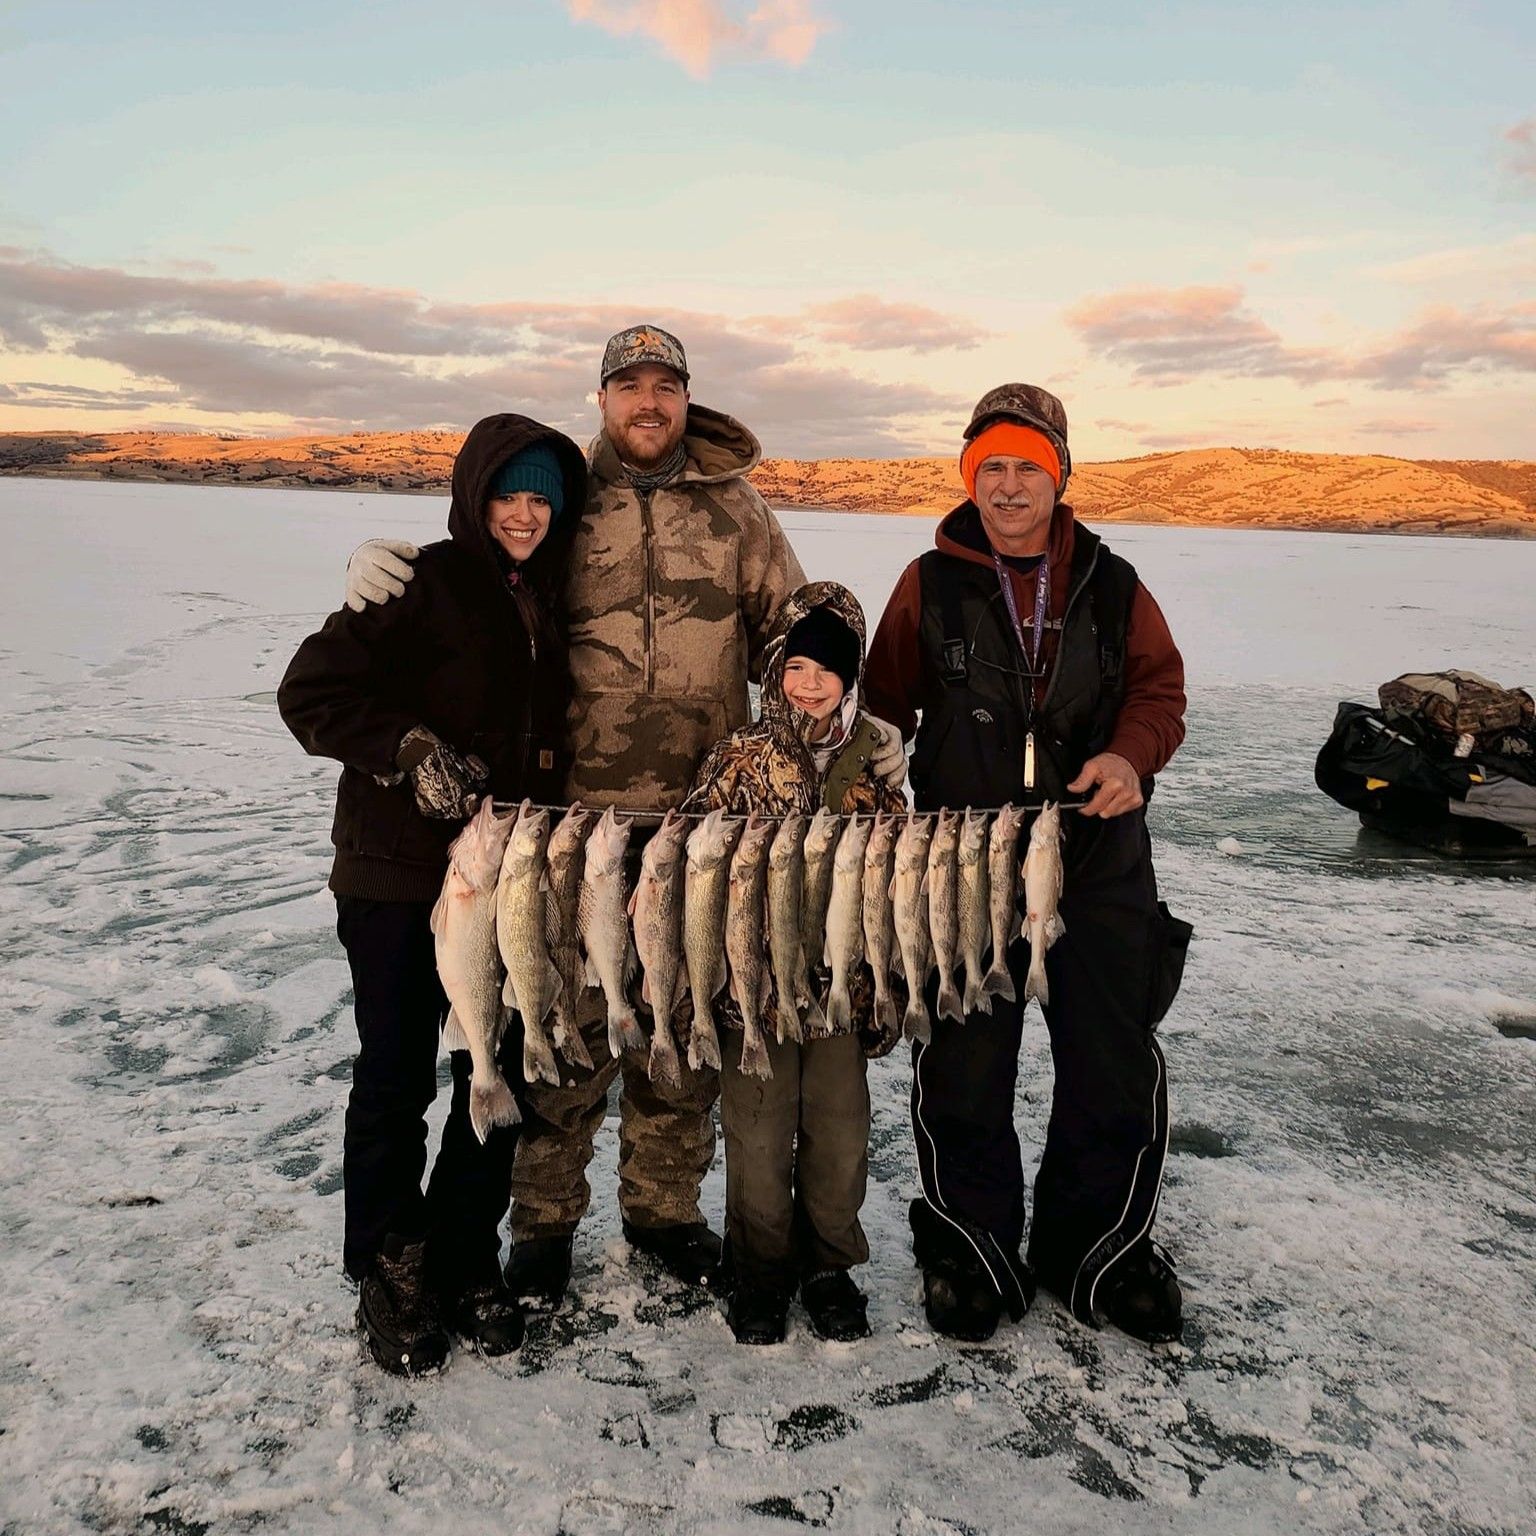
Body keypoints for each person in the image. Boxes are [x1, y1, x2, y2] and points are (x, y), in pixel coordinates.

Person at [343, 326, 910, 1306]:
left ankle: (663, 1214)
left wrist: (850, 723)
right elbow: (491, 573)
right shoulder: (568, 504)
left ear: (686, 398)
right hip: (570, 825)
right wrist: (388, 573)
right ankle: (545, 1228)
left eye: (666, 386)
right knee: (560, 1032)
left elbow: (794, 638)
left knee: (676, 1043)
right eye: (629, 385)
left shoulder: (740, 515)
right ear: (603, 398)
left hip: (701, 823)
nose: (648, 402)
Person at [863, 383, 1193, 1346]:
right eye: (991, 468)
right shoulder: (929, 581)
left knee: (1111, 1051)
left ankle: (1101, 1250)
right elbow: (885, 711)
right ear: (971, 478)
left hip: (1094, 854)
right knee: (966, 1058)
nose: (1009, 487)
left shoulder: (1114, 581)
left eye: (1028, 468)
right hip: (966, 860)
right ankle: (970, 1243)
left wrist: (1131, 757)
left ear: (1061, 476)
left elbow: (1160, 692)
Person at [278, 414, 587, 1374]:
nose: (526, 515)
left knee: (493, 1075)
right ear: (474, 495)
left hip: (502, 883)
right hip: (398, 878)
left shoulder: (548, 597)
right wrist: (407, 750)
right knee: (398, 1076)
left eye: (542, 498)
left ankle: (461, 1255)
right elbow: (312, 694)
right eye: (509, 495)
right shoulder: (419, 584)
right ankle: (390, 1262)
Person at [682, 581, 906, 1345]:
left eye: (828, 670)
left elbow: (894, 874)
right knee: (757, 1129)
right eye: (796, 666)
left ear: (851, 678)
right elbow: (692, 851)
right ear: (776, 667)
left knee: (840, 1131)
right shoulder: (739, 754)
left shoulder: (875, 759)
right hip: (756, 986)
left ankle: (829, 1268)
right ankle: (761, 1273)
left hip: (842, 985)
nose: (810, 684)